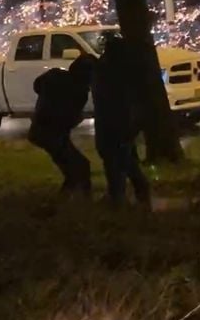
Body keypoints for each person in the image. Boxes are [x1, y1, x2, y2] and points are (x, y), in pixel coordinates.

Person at [93, 34, 151, 208]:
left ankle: (119, 195)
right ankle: (127, 193)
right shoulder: (124, 68)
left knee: (116, 159)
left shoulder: (107, 69)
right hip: (121, 122)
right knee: (123, 158)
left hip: (112, 122)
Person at [27, 55, 95, 196]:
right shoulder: (80, 91)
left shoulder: (54, 75)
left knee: (71, 168)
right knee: (82, 167)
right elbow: (70, 119)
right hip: (54, 135)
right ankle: (84, 200)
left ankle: (67, 194)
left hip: (38, 131)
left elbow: (36, 85)